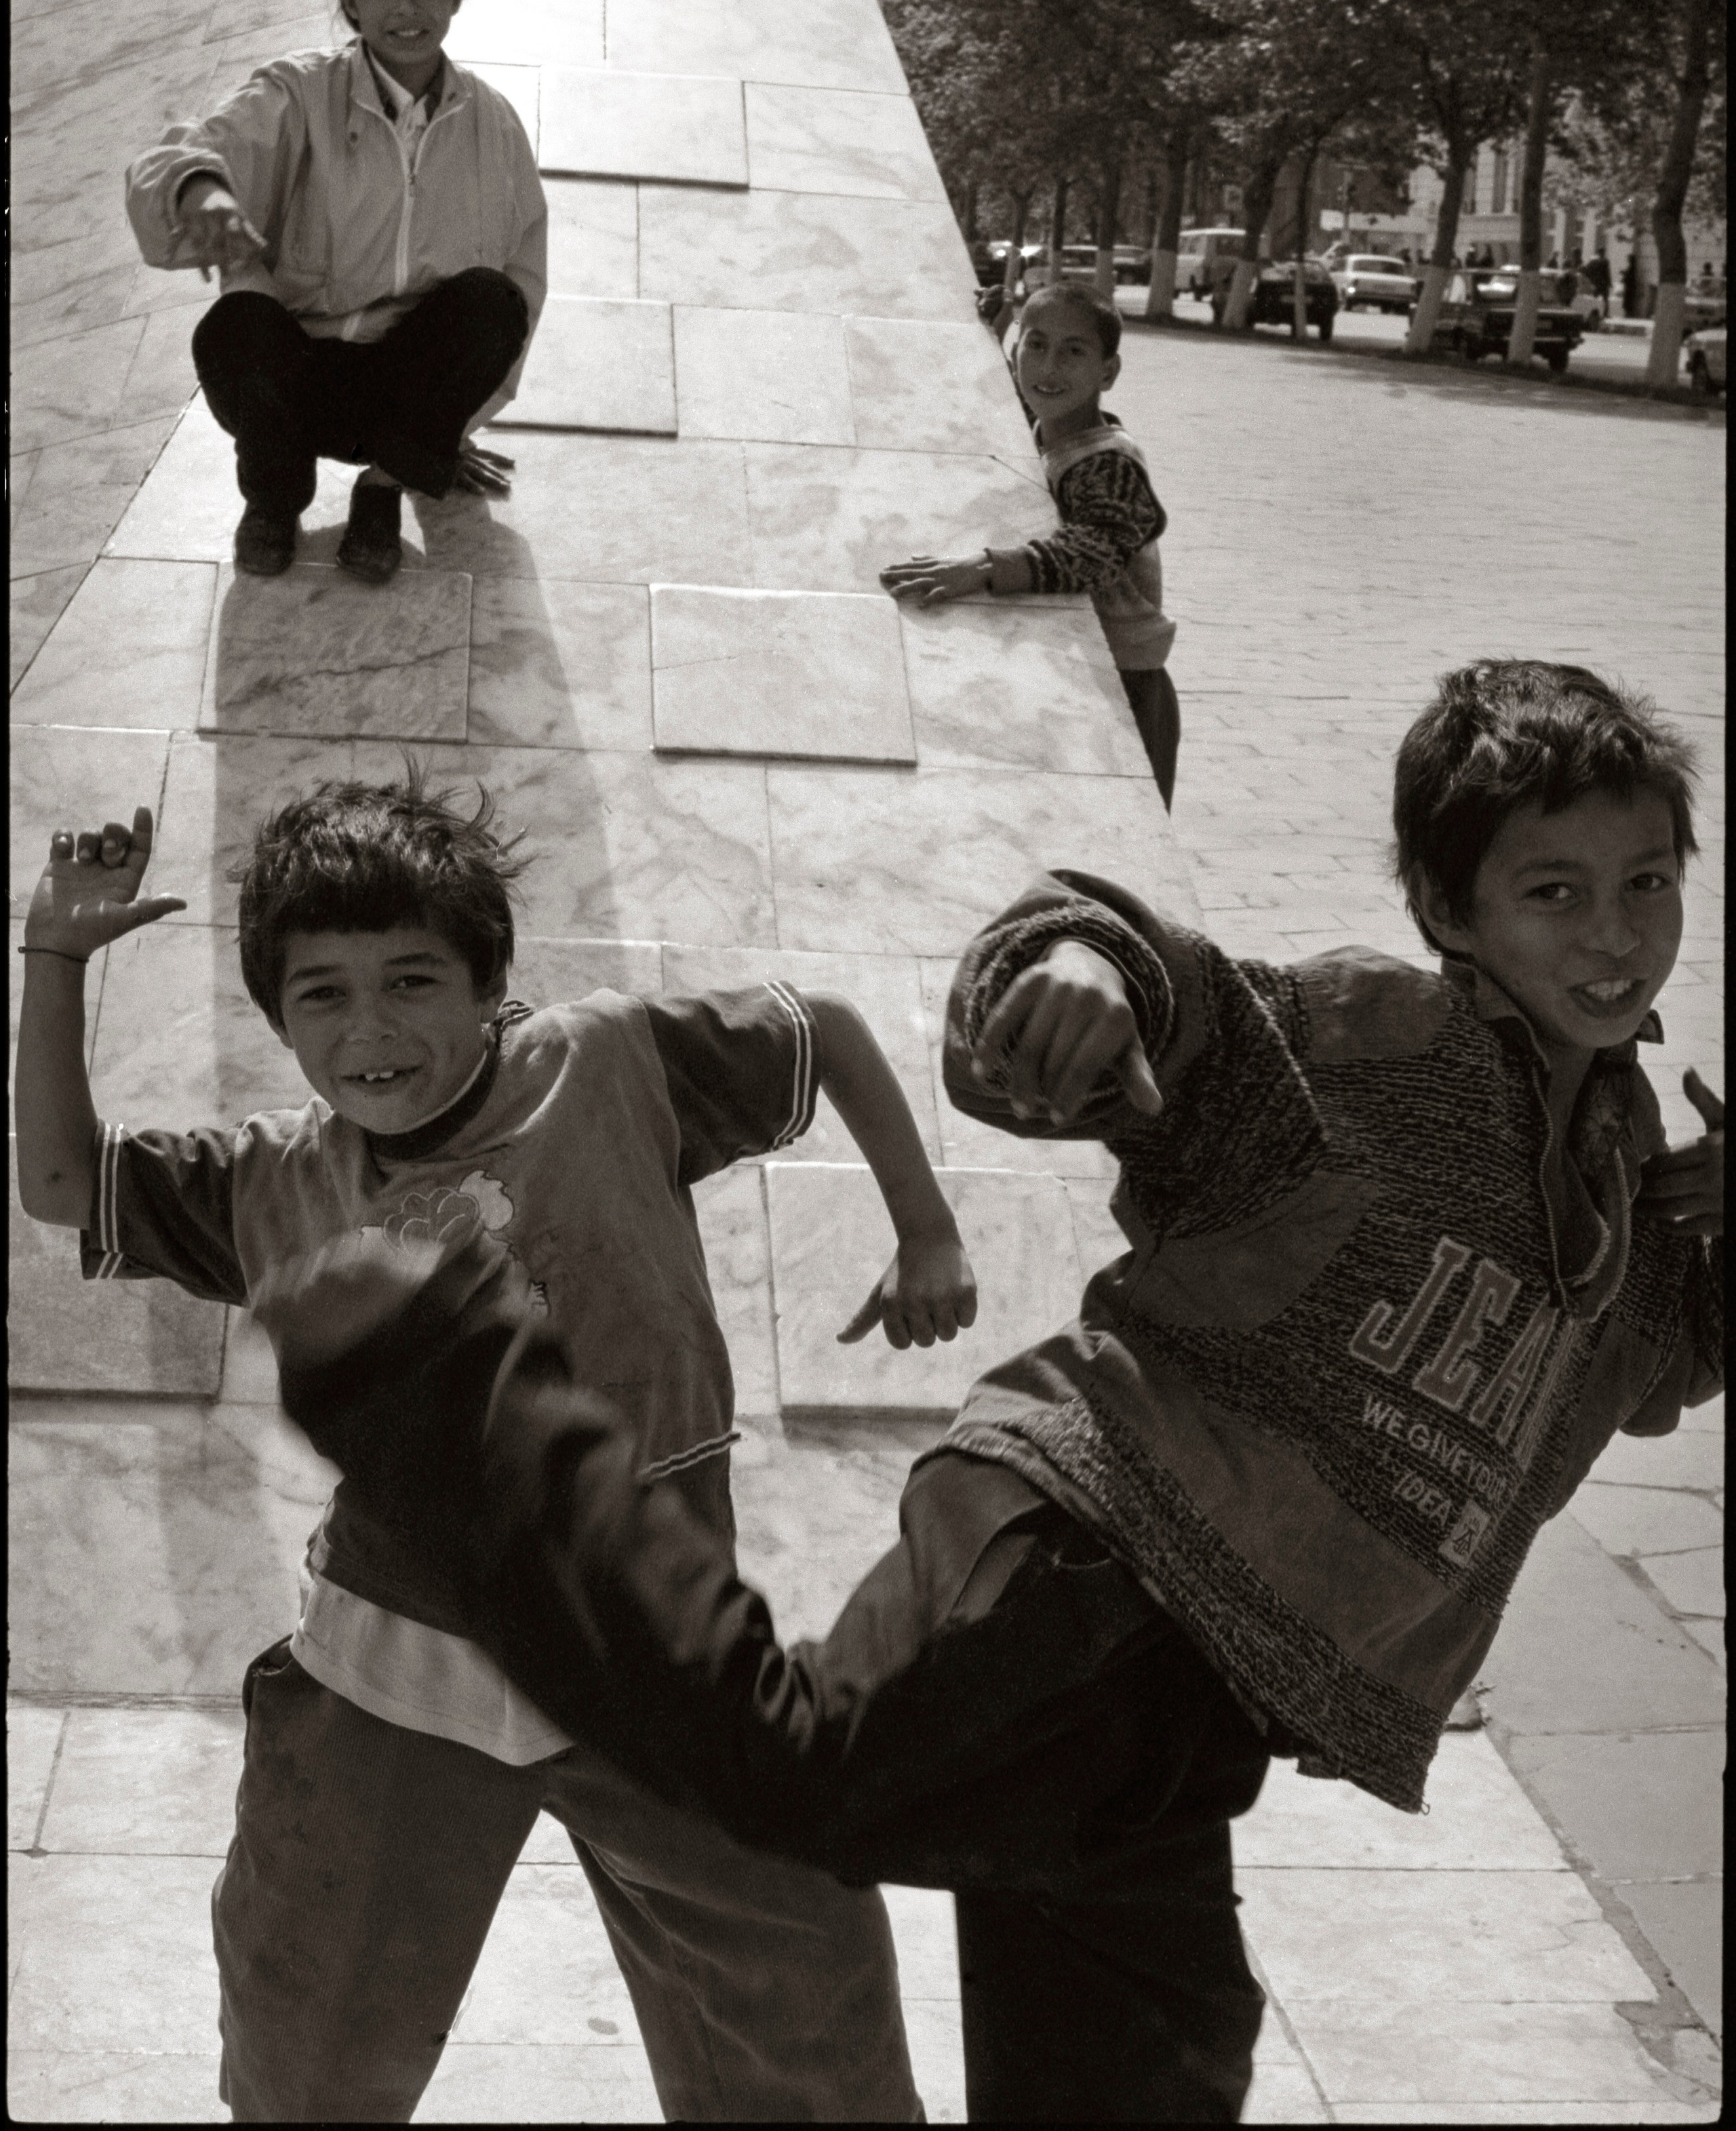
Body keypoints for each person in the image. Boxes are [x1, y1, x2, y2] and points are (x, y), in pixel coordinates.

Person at [260, 660, 1722, 2124]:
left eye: (1644, 884)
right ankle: (457, 1396)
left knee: (1150, 2078)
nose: (1612, 936)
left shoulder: (1612, 1164)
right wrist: (1078, 971)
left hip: (1207, 1702)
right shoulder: (1394, 1045)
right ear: (1448, 909)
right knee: (795, 1776)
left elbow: (1648, 1363)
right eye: (1553, 893)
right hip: (1091, 1553)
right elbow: (1186, 1002)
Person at [14, 769, 977, 2123]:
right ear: (279, 1018)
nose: (372, 1031)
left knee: (809, 2041)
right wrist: (54, 951)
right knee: (304, 2058)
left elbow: (822, 1030)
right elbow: (61, 1182)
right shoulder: (273, 1180)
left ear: (488, 985)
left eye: (413, 981)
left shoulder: (607, 1064)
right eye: (322, 995)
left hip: (663, 1683)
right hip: (391, 1685)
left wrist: (924, 1226)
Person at [125, 0, 545, 586]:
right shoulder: (298, 91)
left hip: (401, 395)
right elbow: (177, 156)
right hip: (290, 386)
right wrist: (200, 187)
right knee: (237, 325)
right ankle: (272, 504)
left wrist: (452, 429)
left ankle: (379, 491)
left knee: (493, 303)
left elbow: (523, 278)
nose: (405, 8)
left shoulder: (492, 125)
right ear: (351, 1)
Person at [880, 283, 1181, 808]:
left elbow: (1094, 549)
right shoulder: (1050, 431)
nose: (1050, 367)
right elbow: (1010, 407)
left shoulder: (1106, 460)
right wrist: (991, 338)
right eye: (1036, 345)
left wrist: (982, 568)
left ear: (1108, 373)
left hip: (1128, 689)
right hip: (1083, 671)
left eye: (1074, 352)